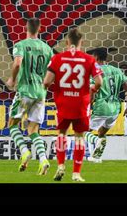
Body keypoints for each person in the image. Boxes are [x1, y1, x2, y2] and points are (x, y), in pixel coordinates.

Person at [43, 28, 103, 182]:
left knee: (62, 134)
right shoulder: (89, 59)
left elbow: (46, 82)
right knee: (79, 138)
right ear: (81, 43)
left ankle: (61, 165)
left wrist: (57, 88)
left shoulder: (57, 58)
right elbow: (99, 82)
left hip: (63, 102)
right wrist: (92, 89)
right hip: (81, 104)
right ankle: (76, 173)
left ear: (67, 42)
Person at [6, 18, 53, 175]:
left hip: (25, 90)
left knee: (12, 124)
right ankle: (43, 160)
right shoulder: (47, 49)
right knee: (33, 129)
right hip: (40, 93)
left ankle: (25, 151)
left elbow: (18, 63)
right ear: (39, 28)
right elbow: (51, 71)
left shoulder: (21, 45)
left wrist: (12, 79)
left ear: (26, 27)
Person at [83, 48, 127, 163]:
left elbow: (92, 91)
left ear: (96, 58)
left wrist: (88, 106)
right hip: (115, 109)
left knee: (83, 131)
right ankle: (96, 157)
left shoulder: (95, 72)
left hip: (102, 107)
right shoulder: (117, 70)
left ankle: (96, 141)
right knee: (101, 132)